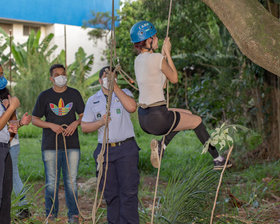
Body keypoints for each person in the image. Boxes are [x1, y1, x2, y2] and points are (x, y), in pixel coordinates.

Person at [130, 21, 232, 170]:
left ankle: (161, 146)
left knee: (187, 115)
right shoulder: (157, 58)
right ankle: (218, 159)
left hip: (144, 118)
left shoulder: (138, 60)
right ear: (148, 41)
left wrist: (163, 56)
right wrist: (168, 55)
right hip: (159, 117)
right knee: (196, 121)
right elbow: (174, 79)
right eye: (155, 37)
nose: (157, 39)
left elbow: (162, 83)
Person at [81, 66, 140, 224]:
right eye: (106, 77)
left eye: (113, 76)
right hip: (105, 150)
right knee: (110, 193)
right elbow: (85, 127)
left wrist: (115, 87)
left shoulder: (125, 93)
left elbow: (132, 107)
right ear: (100, 80)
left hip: (126, 149)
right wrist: (100, 122)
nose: (109, 79)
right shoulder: (93, 100)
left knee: (128, 192)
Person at [32, 64, 85, 224]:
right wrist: (50, 125)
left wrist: (76, 123)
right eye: (57, 74)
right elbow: (34, 119)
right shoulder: (44, 96)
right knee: (51, 181)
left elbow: (83, 115)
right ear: (51, 78)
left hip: (72, 145)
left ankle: (74, 214)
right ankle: (51, 214)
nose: (61, 77)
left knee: (71, 181)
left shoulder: (74, 94)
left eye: (63, 74)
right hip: (50, 145)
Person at [0, 86, 32, 220]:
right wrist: (11, 107)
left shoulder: (5, 105)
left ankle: (23, 207)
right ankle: (23, 206)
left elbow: (10, 127)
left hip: (8, 146)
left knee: (10, 181)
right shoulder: (7, 104)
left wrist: (19, 123)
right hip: (7, 145)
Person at [0, 64, 21, 224]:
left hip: (5, 147)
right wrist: (12, 106)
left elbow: (6, 126)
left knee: (6, 193)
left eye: (2, 74)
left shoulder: (2, 98)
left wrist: (18, 124)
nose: (2, 77)